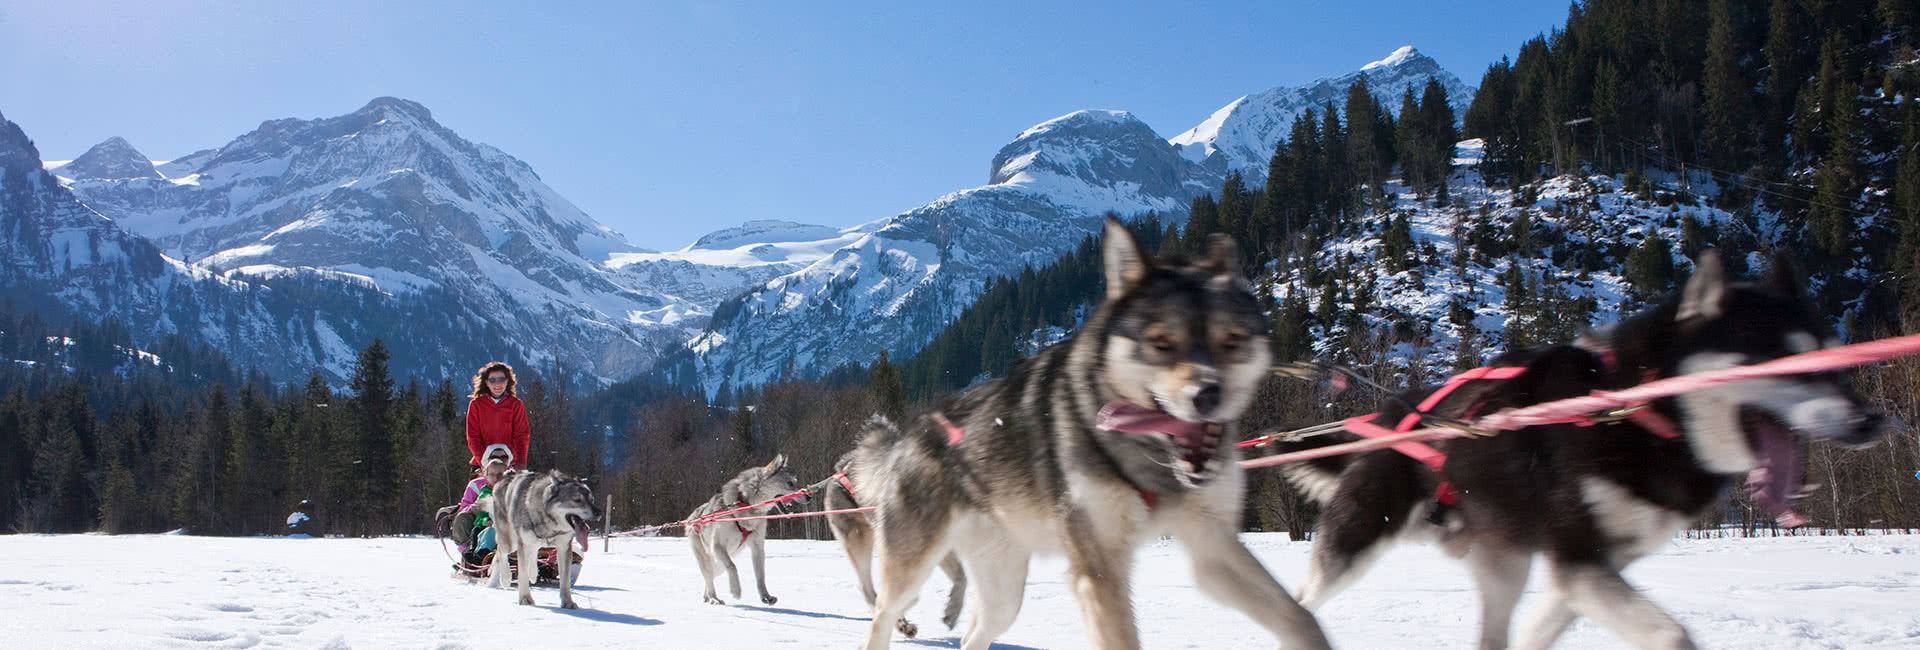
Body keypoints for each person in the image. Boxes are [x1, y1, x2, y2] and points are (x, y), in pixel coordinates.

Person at [453, 448, 512, 564]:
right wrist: (477, 511)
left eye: (503, 458)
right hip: (484, 521)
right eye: (495, 458)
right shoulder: (479, 487)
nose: (499, 460)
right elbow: (466, 508)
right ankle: (472, 555)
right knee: (476, 529)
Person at [467, 362, 529, 470]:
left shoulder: (515, 404)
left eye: (501, 379)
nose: (497, 384)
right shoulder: (476, 404)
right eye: (492, 380)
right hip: (481, 464)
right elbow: (473, 437)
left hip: (510, 463)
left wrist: (521, 463)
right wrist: (483, 461)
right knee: (477, 488)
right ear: (486, 382)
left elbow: (522, 436)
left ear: (507, 381)